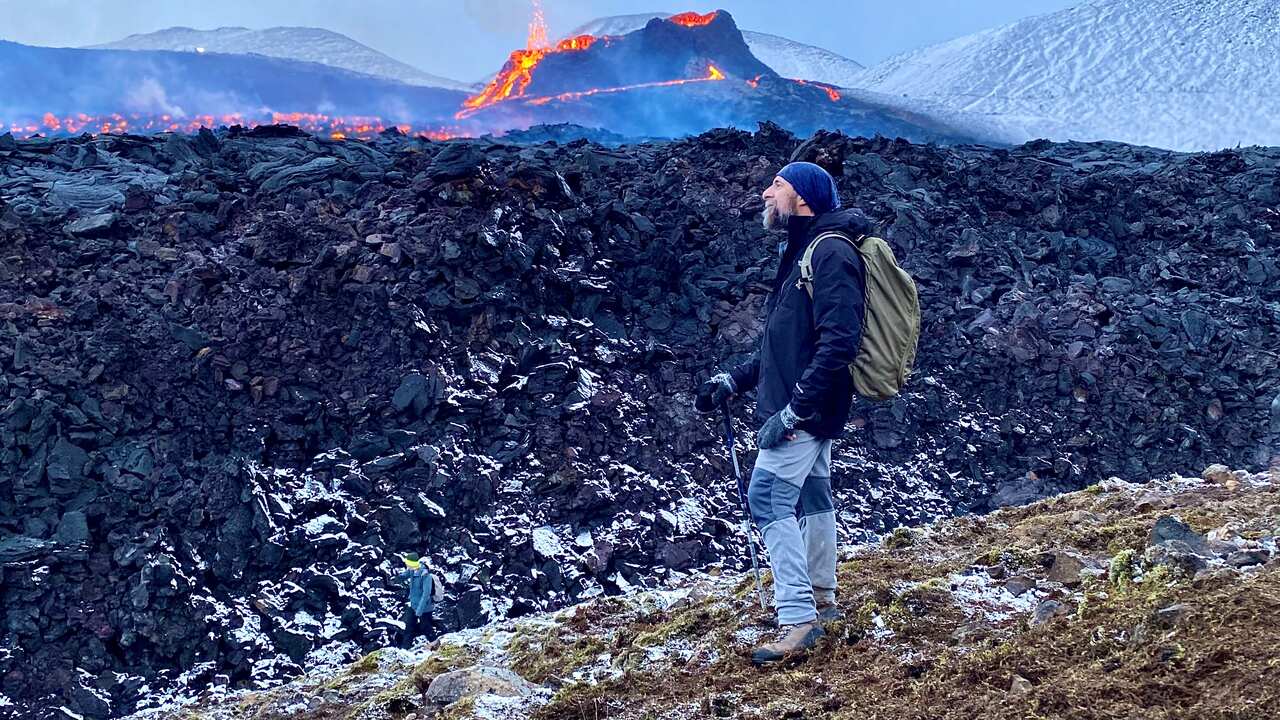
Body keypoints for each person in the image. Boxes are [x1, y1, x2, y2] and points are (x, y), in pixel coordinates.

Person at [697, 161, 869, 664]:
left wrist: (793, 412)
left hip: (807, 408)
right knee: (813, 495)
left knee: (768, 495)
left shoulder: (831, 252)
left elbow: (840, 342)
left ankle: (797, 618)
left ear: (803, 198)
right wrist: (735, 379)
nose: (765, 192)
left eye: (777, 185)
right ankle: (822, 599)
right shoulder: (803, 251)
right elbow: (785, 345)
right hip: (809, 403)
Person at [396, 552, 444, 647]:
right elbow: (403, 576)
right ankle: (405, 651)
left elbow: (426, 594)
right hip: (413, 605)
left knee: (425, 626)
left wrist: (419, 610)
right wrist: (395, 578)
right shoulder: (413, 572)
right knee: (409, 627)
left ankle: (437, 645)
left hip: (425, 606)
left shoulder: (426, 576)